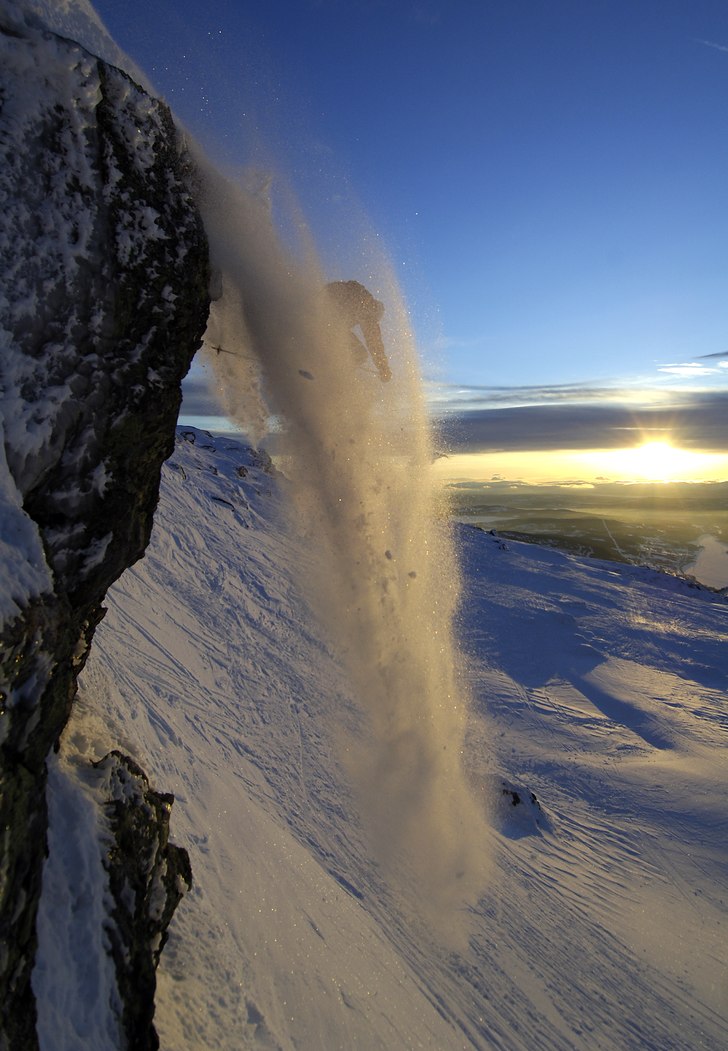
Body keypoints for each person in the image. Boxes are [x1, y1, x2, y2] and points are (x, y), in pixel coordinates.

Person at [325, 280, 392, 382]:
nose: (372, 323)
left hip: (322, 313)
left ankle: (328, 368)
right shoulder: (368, 309)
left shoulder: (360, 292)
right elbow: (375, 343)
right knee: (359, 354)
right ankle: (333, 379)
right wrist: (384, 368)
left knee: (346, 347)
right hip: (329, 322)